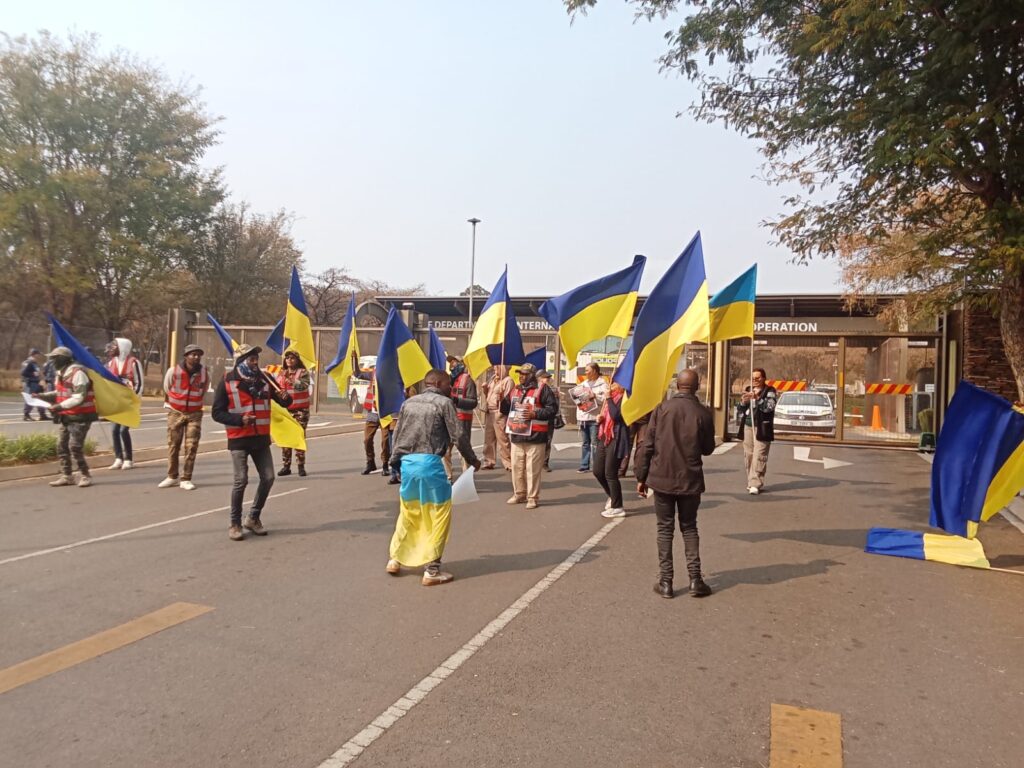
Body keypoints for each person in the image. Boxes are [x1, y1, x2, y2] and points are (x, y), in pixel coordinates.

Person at [386, 369, 481, 585]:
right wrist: (472, 460)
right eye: (448, 384)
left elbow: (397, 433)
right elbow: (458, 435)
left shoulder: (409, 403)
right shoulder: (443, 403)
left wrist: (395, 463)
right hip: (430, 464)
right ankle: (432, 570)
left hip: (408, 464)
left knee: (409, 512)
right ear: (437, 383)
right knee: (439, 515)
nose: (451, 388)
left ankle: (395, 558)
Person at [636, 369, 716, 599]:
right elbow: (708, 449)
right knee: (689, 527)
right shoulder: (702, 412)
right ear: (697, 386)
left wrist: (641, 477)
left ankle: (666, 581)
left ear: (677, 385)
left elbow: (647, 445)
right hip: (690, 478)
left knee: (665, 528)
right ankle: (695, 579)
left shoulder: (662, 409)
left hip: (661, 477)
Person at [212, 344, 292, 541]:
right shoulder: (227, 381)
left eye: (256, 359)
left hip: (261, 438)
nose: (255, 363)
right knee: (241, 481)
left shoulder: (265, 379)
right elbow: (216, 413)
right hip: (239, 438)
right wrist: (239, 420)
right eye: (251, 359)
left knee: (268, 477)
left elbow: (284, 401)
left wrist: (285, 397)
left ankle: (253, 517)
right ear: (241, 361)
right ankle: (235, 523)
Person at [500, 363, 559, 509]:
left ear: (532, 375)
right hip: (517, 434)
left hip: (536, 436)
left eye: (524, 374)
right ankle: (519, 493)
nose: (521, 376)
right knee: (517, 467)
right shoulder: (515, 390)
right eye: (520, 373)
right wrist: (502, 397)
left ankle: (532, 497)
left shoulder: (542, 389)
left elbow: (552, 409)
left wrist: (535, 414)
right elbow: (505, 409)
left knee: (532, 469)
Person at [38, 346, 97, 487]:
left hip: (81, 417)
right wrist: (41, 396)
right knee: (61, 446)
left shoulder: (78, 373)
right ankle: (67, 476)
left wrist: (59, 406)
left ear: (63, 359)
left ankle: (85, 475)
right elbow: (59, 393)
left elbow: (79, 397)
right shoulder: (61, 373)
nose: (52, 361)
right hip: (66, 416)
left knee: (75, 447)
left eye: (54, 358)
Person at [159, 344, 208, 490]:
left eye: (198, 354)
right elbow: (167, 387)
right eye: (193, 354)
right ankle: (172, 476)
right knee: (173, 445)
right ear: (186, 356)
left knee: (191, 446)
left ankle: (186, 478)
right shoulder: (173, 371)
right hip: (176, 412)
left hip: (194, 413)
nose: (196, 357)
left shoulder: (204, 373)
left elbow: (204, 390)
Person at [736, 367, 777, 495]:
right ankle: (750, 480)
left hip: (762, 427)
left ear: (763, 378)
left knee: (759, 455)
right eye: (753, 378)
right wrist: (743, 402)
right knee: (748, 455)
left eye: (758, 378)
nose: (755, 380)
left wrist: (757, 398)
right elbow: (741, 409)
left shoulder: (770, 391)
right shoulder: (748, 390)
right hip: (748, 426)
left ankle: (755, 483)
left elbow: (769, 407)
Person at [104, 338, 143, 470]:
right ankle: (118, 458)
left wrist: (134, 398)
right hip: (117, 403)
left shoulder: (134, 363)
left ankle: (129, 459)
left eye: (114, 345)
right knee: (114, 430)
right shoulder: (110, 363)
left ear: (122, 347)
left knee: (123, 430)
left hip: (129, 402)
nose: (111, 348)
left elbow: (140, 383)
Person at [593, 381, 629, 518]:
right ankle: (612, 496)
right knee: (597, 470)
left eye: (614, 384)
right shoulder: (610, 399)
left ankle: (617, 506)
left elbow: (616, 416)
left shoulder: (624, 399)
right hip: (605, 436)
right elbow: (607, 417)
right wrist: (600, 419)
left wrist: (608, 398)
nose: (611, 386)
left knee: (610, 473)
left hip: (617, 437)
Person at [352, 352, 391, 476]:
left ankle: (385, 464)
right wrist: (354, 359)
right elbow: (358, 374)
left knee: (385, 441)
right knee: (367, 439)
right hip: (373, 412)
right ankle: (370, 462)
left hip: (386, 413)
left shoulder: (393, 376)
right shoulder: (372, 374)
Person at [442, 355, 478, 482]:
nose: (452, 365)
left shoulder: (468, 381)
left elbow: (473, 402)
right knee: (445, 450)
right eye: (450, 363)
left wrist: (457, 401)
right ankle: (448, 477)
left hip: (463, 419)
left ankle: (466, 479)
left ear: (461, 364)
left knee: (463, 449)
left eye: (454, 362)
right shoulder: (448, 380)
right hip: (448, 419)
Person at [275, 350, 311, 477]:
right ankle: (286, 466)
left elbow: (304, 386)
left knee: (298, 436)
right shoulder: (281, 373)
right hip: (286, 411)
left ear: (297, 360)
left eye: (292, 358)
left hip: (300, 410)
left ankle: (301, 466)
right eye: (287, 358)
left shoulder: (303, 372)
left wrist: (291, 380)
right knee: (286, 438)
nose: (289, 360)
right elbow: (276, 388)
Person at [574, 362, 608, 473]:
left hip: (595, 417)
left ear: (594, 371)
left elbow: (606, 400)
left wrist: (595, 396)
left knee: (595, 443)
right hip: (583, 417)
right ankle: (584, 465)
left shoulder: (603, 384)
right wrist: (577, 400)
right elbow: (577, 399)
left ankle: (597, 465)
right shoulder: (583, 384)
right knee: (585, 443)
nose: (586, 373)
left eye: (587, 370)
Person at [483, 365, 514, 470]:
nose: (495, 370)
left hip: (499, 412)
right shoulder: (493, 380)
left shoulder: (508, 380)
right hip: (490, 412)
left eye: (497, 368)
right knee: (488, 439)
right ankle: (489, 460)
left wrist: (501, 410)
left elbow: (508, 398)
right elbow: (488, 395)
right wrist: (485, 390)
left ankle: (508, 462)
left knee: (502, 439)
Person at [536, 369, 559, 471]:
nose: (548, 379)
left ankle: (545, 462)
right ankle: (536, 461)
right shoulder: (534, 389)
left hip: (548, 418)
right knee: (536, 441)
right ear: (539, 378)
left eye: (548, 378)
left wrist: (557, 397)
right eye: (546, 378)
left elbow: (554, 407)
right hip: (536, 418)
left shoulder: (552, 389)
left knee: (548, 440)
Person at [20, 348, 46, 421]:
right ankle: (26, 415)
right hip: (30, 383)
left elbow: (37, 373)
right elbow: (23, 373)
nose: (39, 356)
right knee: (30, 398)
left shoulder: (34, 363)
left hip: (36, 383)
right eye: (38, 354)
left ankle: (42, 414)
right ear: (34, 354)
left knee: (40, 397)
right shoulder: (28, 362)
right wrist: (33, 374)